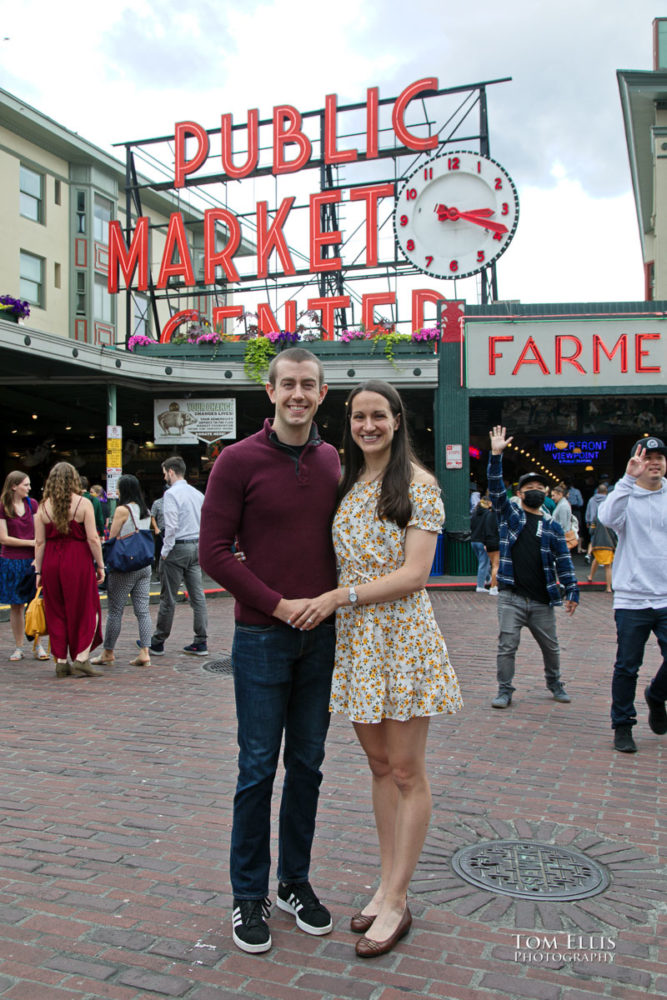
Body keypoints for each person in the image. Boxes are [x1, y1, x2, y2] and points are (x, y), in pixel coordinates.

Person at [290, 381, 463, 959]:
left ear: (396, 420)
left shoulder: (419, 485)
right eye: (360, 416)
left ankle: (397, 896)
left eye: (379, 417)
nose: (368, 426)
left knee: (409, 770)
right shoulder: (346, 482)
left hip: (402, 640)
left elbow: (416, 574)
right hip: (360, 644)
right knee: (380, 765)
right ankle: (386, 884)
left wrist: (342, 596)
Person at [199, 347, 340, 955]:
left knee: (307, 767)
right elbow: (214, 552)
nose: (298, 395)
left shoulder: (335, 460)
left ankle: (295, 882)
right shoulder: (236, 460)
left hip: (324, 637)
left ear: (322, 393)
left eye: (309, 385)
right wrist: (279, 604)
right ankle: (247, 893)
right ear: (271, 390)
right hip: (262, 636)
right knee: (257, 769)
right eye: (288, 385)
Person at [487, 426, 578, 709]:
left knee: (551, 647)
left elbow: (563, 560)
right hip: (511, 597)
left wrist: (572, 590)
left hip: (542, 599)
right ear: (520, 493)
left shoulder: (551, 526)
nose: (535, 492)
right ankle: (504, 690)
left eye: (539, 489)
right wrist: (496, 454)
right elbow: (495, 488)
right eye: (529, 489)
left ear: (547, 492)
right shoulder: (510, 515)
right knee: (507, 646)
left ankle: (555, 683)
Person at [598, 437, 667, 754]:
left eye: (659, 457)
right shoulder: (626, 498)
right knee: (627, 666)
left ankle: (656, 694)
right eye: (647, 457)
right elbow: (606, 518)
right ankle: (623, 725)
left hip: (666, 596)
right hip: (632, 599)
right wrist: (627, 479)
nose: (654, 462)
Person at [34, 462, 105, 677]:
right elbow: (93, 538)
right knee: (86, 607)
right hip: (78, 559)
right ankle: (82, 657)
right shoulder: (83, 504)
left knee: (56, 610)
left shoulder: (43, 506)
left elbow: (39, 542)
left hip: (52, 562)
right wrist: (100, 565)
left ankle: (61, 660)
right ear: (74, 479)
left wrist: (38, 571)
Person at [91, 474, 153, 669]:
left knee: (115, 610)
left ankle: (108, 651)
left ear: (124, 490)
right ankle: (145, 651)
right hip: (144, 566)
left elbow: (113, 535)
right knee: (142, 610)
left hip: (125, 566)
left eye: (118, 488)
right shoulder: (146, 510)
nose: (116, 491)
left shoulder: (122, 510)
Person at [148, 456, 208, 657]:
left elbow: (171, 527)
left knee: (169, 597)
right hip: (196, 546)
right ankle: (201, 641)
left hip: (177, 548)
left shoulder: (171, 495)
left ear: (171, 472)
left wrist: (164, 552)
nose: (164, 476)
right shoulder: (197, 493)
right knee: (197, 596)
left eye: (164, 472)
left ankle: (158, 641)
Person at [0, 471, 48, 662]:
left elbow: (40, 533)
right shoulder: (3, 506)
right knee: (16, 606)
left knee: (35, 603)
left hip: (31, 560)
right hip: (11, 560)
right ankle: (19, 646)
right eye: (25, 485)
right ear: (14, 486)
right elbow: (3, 538)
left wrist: (38, 555)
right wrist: (31, 543)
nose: (29, 488)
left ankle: (38, 644)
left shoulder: (33, 504)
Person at [586, 518, 616, 592]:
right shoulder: (610, 517)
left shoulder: (596, 518)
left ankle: (607, 587)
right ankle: (608, 587)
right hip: (608, 544)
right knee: (606, 565)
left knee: (600, 561)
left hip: (598, 544)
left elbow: (591, 531)